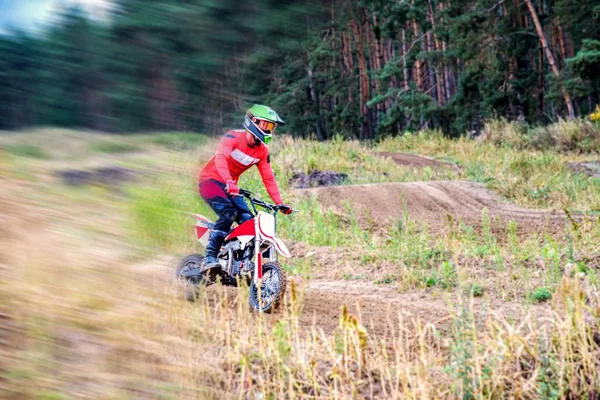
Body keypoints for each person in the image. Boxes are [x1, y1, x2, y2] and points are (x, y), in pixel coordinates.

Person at [198, 105, 293, 270]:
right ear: (252, 122)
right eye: (266, 125)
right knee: (228, 213)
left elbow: (268, 178)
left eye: (272, 127)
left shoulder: (262, 151)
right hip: (209, 182)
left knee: (249, 220)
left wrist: (279, 202)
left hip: (231, 186)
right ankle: (209, 258)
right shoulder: (233, 137)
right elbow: (221, 158)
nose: (269, 130)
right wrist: (228, 181)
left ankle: (239, 262)